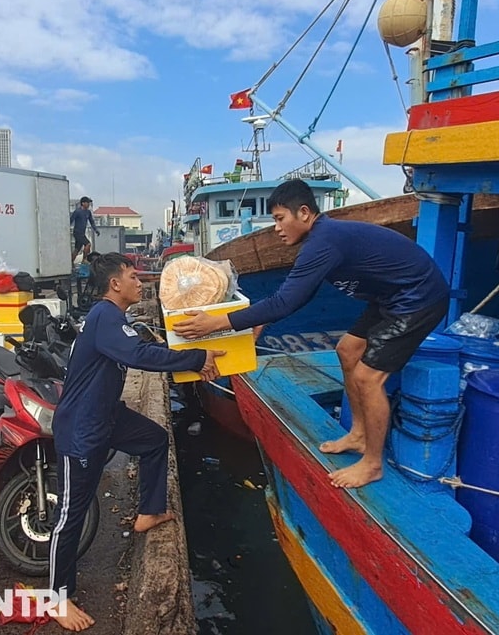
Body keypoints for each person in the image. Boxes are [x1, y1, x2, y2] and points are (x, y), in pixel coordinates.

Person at [173, 179, 449, 489]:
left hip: (417, 298)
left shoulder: (324, 241)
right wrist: (259, 320)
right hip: (390, 297)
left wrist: (215, 323)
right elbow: (294, 295)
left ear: (304, 213)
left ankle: (372, 464)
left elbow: (286, 301)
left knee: (368, 378)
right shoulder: (321, 240)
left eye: (280, 218)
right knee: (347, 350)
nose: (276, 228)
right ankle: (358, 435)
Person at [49, 252, 225, 631]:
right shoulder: (104, 316)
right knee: (70, 516)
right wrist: (197, 358)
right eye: (132, 276)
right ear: (115, 284)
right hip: (81, 429)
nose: (140, 282)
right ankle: (57, 597)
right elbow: (139, 355)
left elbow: (146, 348)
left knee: (154, 439)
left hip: (106, 416)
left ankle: (149, 511)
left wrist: (194, 356)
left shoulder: (115, 318)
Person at [70, 197, 100, 263]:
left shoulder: (88, 212)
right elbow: (71, 220)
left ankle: (70, 263)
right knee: (88, 244)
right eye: (87, 203)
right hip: (77, 233)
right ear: (83, 203)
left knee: (77, 250)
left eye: (89, 203)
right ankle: (84, 259)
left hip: (82, 233)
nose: (88, 204)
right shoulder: (77, 211)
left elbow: (92, 222)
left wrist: (96, 230)